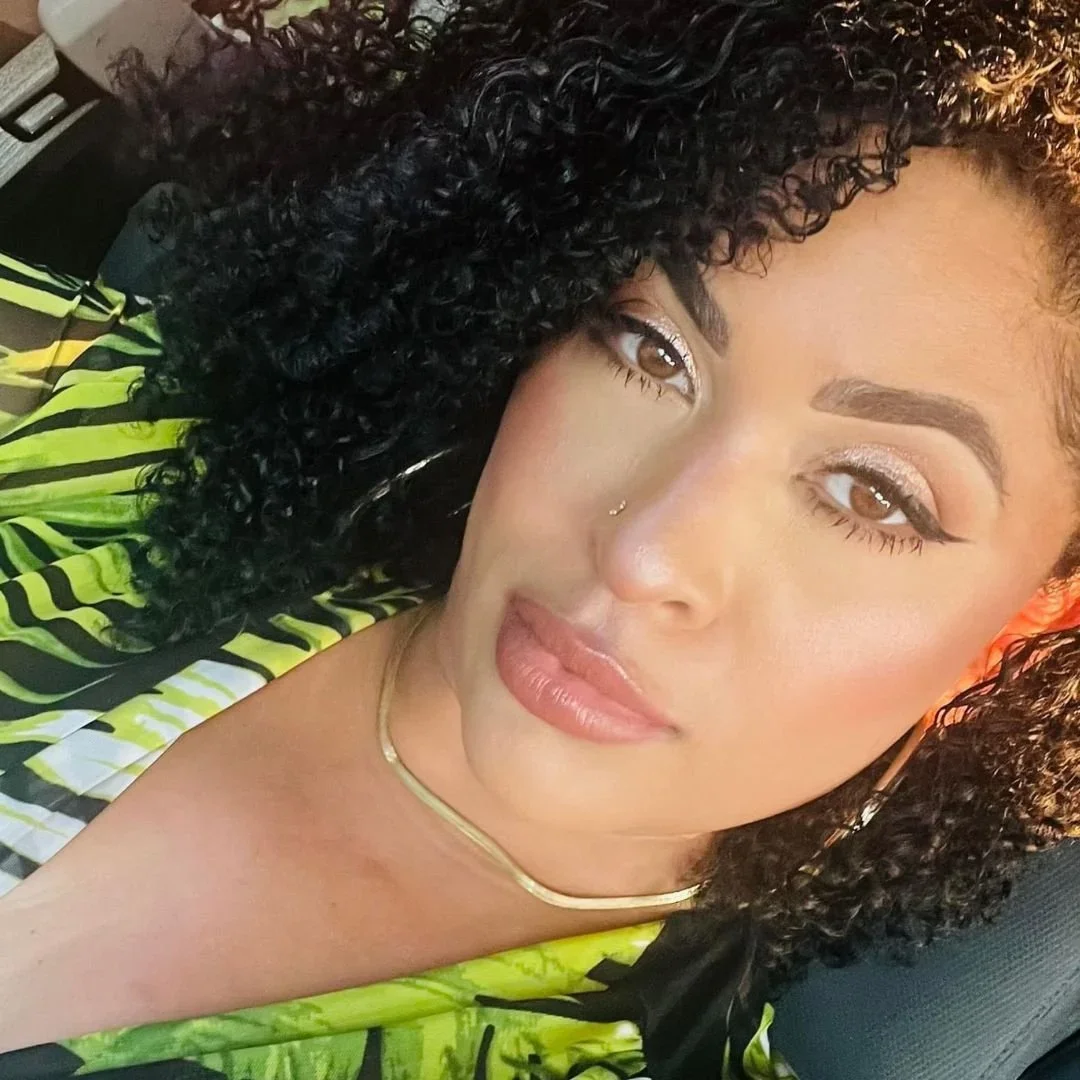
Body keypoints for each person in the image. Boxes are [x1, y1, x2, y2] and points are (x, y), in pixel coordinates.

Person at [1, 1, 1079, 1077]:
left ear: (1026, 626)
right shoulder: (96, 421)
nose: (643, 555)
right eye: (649, 349)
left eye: (874, 492)